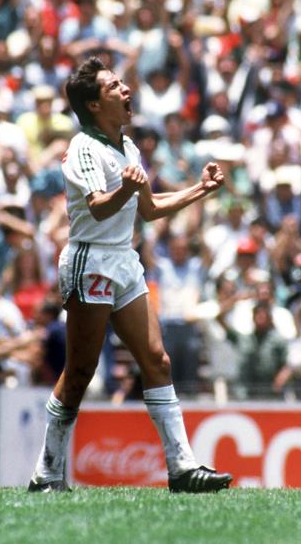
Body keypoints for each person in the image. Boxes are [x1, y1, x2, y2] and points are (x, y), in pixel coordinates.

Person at [27, 57, 233, 493]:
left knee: (157, 360)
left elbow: (150, 208)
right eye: (114, 86)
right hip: (90, 260)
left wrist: (201, 189)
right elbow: (99, 207)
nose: (125, 90)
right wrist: (127, 187)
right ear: (94, 105)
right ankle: (46, 472)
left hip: (123, 258)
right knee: (80, 372)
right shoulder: (84, 148)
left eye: (122, 83)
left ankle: (182, 468)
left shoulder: (128, 147)